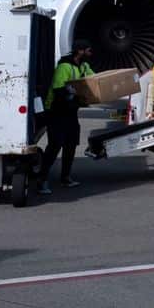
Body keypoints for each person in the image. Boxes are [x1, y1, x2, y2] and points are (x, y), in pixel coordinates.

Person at [37, 39, 94, 194]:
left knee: (71, 144)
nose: (90, 54)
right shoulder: (64, 66)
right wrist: (77, 95)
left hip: (70, 111)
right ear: (79, 51)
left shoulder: (83, 66)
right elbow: (58, 89)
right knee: (55, 146)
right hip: (56, 111)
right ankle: (41, 180)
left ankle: (65, 177)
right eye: (88, 51)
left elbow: (94, 81)